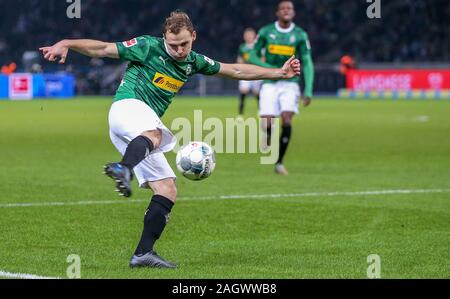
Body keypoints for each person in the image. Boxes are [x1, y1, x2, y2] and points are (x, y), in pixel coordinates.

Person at [39, 10, 301, 269]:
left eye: (184, 44)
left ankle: (143, 253)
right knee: (155, 133)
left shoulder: (194, 61)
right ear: (164, 38)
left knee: (167, 189)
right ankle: (124, 168)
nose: (178, 50)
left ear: (193, 37)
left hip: (136, 132)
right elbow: (103, 49)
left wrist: (279, 73)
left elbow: (235, 70)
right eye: (173, 45)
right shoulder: (148, 46)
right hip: (127, 108)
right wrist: (67, 44)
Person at [249, 0, 314, 176]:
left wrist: (308, 90)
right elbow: (252, 54)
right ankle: (268, 133)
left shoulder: (300, 35)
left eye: (290, 8)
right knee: (267, 121)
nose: (287, 11)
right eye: (283, 8)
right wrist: (269, 68)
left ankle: (279, 162)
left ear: (293, 13)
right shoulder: (266, 32)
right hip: (270, 81)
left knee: (286, 118)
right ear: (277, 12)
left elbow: (307, 62)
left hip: (290, 83)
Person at [236, 28, 262, 117]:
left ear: (254, 36)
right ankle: (240, 113)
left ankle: (261, 110)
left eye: (250, 35)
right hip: (245, 72)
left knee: (257, 93)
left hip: (255, 73)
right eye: (247, 35)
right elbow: (239, 59)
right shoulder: (242, 47)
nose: (248, 37)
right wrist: (241, 64)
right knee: (243, 91)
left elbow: (262, 59)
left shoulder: (258, 47)